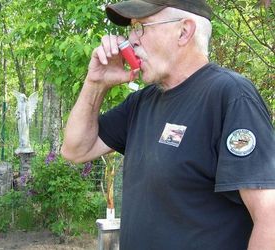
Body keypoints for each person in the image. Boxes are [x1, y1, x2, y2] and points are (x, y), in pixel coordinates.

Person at [61, 0, 275, 249]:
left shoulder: (229, 95)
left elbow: (269, 216)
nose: (130, 40)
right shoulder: (142, 102)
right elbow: (75, 150)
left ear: (184, 32)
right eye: (131, 28)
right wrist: (95, 83)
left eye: (141, 27)